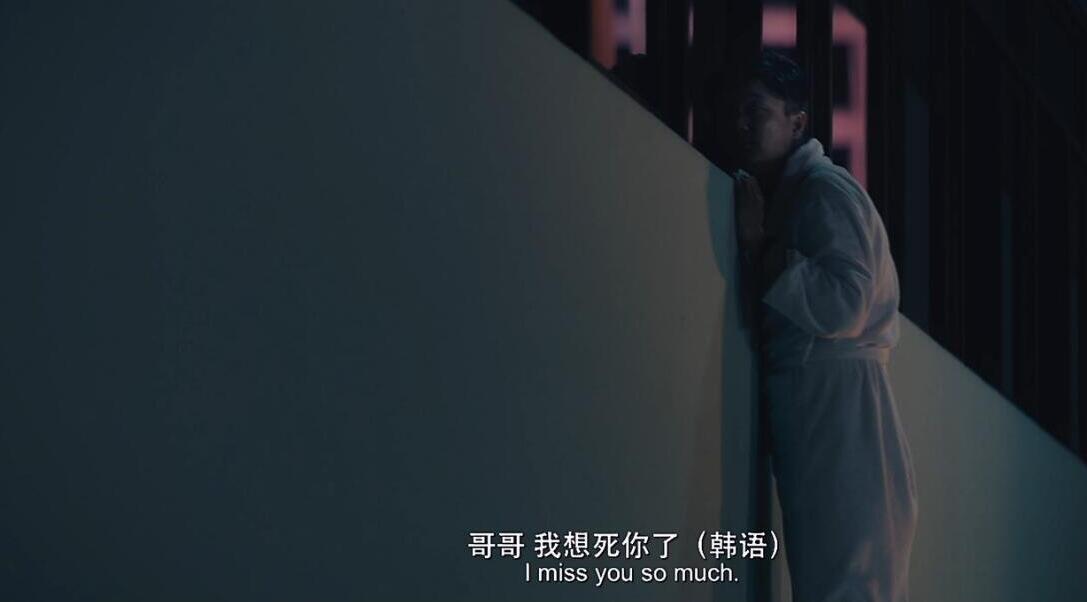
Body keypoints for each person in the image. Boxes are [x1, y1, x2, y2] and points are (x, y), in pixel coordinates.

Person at [731, 51, 919, 602]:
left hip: (840, 406)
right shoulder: (797, 192)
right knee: (838, 577)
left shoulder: (824, 188)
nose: (740, 124)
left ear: (797, 122)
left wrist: (762, 248)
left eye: (755, 110)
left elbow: (846, 303)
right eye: (735, 111)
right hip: (828, 403)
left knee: (847, 576)